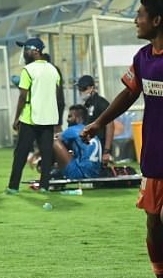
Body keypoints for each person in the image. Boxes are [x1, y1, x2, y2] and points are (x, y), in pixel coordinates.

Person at [82, 0, 163, 278]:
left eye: (141, 14)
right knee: (153, 222)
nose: (136, 19)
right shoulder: (143, 57)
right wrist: (99, 122)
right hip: (154, 155)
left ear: (157, 20)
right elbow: (128, 95)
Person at [6, 37, 64, 194]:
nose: (24, 53)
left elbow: (23, 96)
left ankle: (13, 186)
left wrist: (17, 117)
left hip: (30, 118)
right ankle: (44, 186)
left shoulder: (28, 70)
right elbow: (58, 95)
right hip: (48, 118)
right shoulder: (53, 70)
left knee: (21, 153)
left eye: (26, 49)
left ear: (35, 51)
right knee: (46, 154)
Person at [54, 105, 102, 180]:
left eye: (70, 116)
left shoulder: (72, 130)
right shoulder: (91, 132)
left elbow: (52, 139)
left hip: (80, 174)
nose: (67, 120)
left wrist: (36, 155)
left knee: (54, 142)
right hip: (95, 174)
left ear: (78, 118)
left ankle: (49, 172)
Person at [77, 75, 111, 154]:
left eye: (83, 89)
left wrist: (107, 150)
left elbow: (110, 125)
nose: (81, 92)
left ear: (91, 88)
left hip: (100, 145)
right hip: (89, 145)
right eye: (79, 89)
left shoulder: (101, 103)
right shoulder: (87, 104)